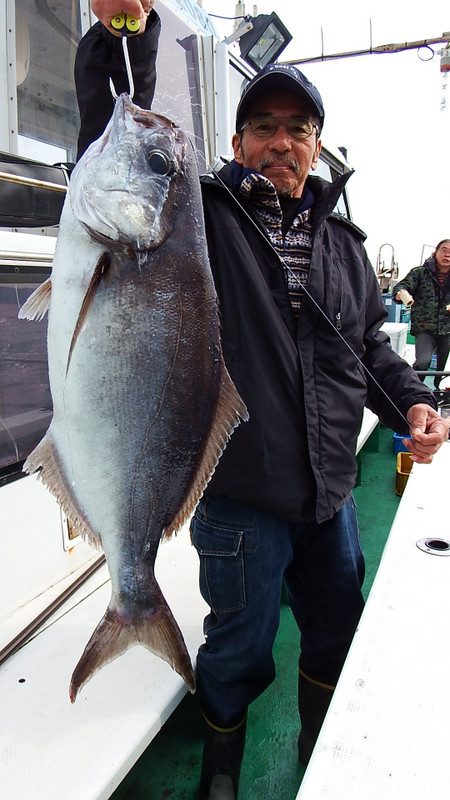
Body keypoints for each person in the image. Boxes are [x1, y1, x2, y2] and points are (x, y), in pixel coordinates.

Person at [75, 4, 449, 798]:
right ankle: (221, 766)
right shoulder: (203, 216)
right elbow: (120, 152)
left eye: (300, 128)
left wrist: (412, 403)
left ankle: (316, 739)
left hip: (332, 493)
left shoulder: (344, 243)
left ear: (316, 145)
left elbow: (369, 347)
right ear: (239, 141)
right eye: (265, 126)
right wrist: (121, 36)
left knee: (332, 629)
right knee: (239, 643)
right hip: (241, 493)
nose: (283, 142)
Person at [393, 240, 450, 389]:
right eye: (444, 250)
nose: (447, 254)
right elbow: (402, 286)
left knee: (444, 365)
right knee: (423, 362)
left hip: (448, 328)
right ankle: (413, 389)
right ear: (435, 252)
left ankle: (440, 392)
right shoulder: (420, 272)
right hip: (424, 326)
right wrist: (400, 294)